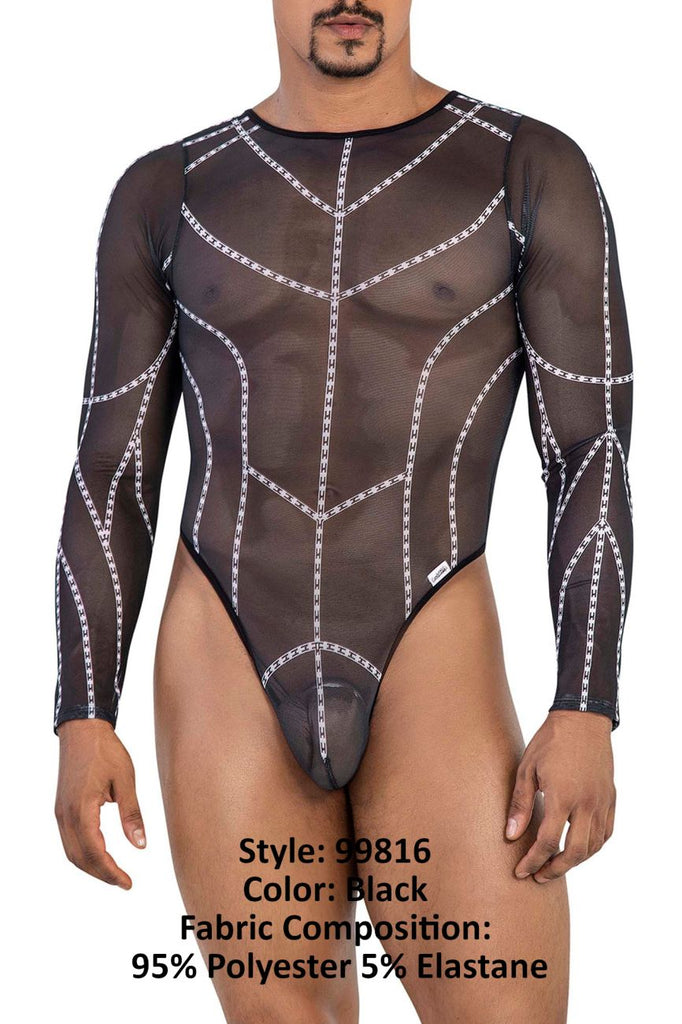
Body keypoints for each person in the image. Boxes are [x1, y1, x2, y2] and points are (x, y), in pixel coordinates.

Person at [53, 2, 634, 1021]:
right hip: (223, 646)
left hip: (433, 639)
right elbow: (110, 468)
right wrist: (81, 713)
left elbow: (589, 449)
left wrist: (587, 704)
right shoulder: (168, 189)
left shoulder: (525, 168)